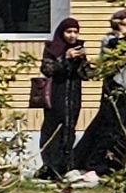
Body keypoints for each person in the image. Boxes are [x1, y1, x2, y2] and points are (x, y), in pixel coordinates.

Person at [78, 5, 126, 176]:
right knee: (111, 126)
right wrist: (121, 35)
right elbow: (112, 61)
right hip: (115, 89)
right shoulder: (110, 41)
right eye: (125, 23)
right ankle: (99, 162)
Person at [34, 16, 90, 176]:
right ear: (62, 32)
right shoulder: (53, 48)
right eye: (69, 32)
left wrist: (82, 60)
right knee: (53, 129)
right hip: (56, 95)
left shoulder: (78, 48)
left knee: (69, 129)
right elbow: (48, 70)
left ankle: (66, 165)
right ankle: (50, 165)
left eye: (75, 32)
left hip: (73, 96)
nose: (72, 36)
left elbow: (86, 74)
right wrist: (65, 58)